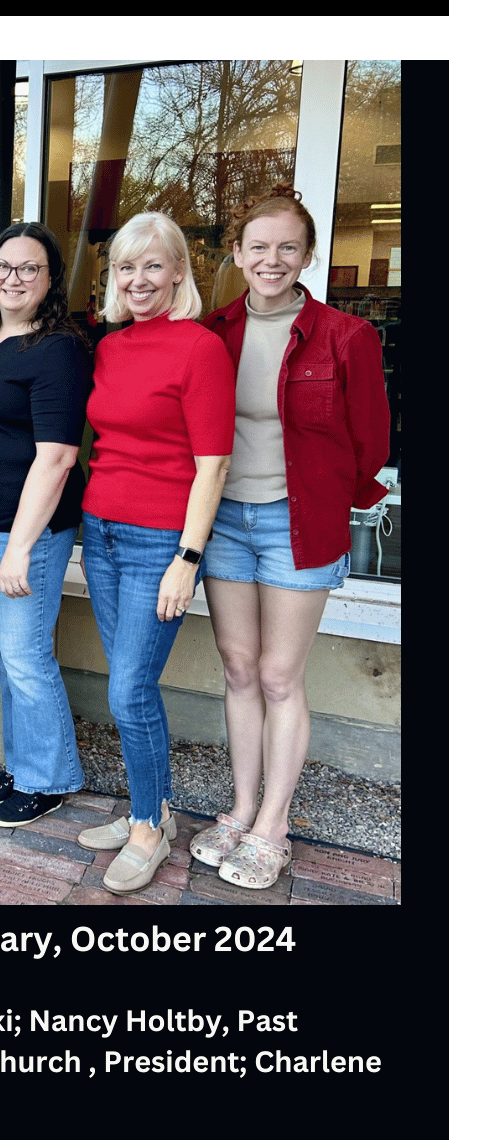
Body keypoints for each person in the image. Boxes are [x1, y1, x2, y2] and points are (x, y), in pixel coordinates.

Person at [191, 186, 390, 889]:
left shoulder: (345, 335)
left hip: (295, 525)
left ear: (306, 256)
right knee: (238, 669)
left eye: (286, 247)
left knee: (279, 675)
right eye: (258, 247)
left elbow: (370, 441)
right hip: (224, 524)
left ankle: (272, 825)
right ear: (237, 255)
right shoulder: (213, 331)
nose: (270, 259)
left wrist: (342, 501)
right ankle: (241, 808)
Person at [75, 212, 236, 893]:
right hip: (102, 530)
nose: (137, 280)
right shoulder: (111, 346)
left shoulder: (198, 348)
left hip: (156, 545)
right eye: (124, 268)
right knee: (127, 682)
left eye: (151, 266)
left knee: (128, 689)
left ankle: (146, 829)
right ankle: (155, 810)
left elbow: (214, 465)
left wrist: (186, 558)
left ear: (177, 272)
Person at [0, 222, 90, 827]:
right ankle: (23, 765)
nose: (14, 277)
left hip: (23, 531)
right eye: (5, 266)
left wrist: (20, 550)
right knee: (8, 654)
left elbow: (57, 456)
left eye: (30, 268)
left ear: (50, 280)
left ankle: (48, 778)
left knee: (27, 656)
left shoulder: (57, 349)